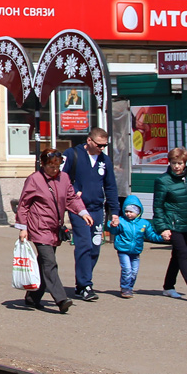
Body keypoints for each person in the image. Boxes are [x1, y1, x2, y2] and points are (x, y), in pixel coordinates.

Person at [15, 149, 92, 314]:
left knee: (43, 264)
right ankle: (61, 299)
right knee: (49, 262)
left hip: (55, 227)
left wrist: (83, 212)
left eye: (57, 166)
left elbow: (71, 198)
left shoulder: (64, 178)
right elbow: (24, 204)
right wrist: (23, 228)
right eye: (51, 166)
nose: (55, 170)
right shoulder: (34, 179)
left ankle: (32, 297)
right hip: (39, 227)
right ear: (43, 165)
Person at [61, 126, 120, 301]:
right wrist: (72, 193)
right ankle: (85, 285)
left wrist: (114, 212)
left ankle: (81, 284)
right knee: (84, 245)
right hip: (78, 208)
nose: (102, 148)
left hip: (97, 209)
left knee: (94, 248)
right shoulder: (72, 154)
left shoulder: (105, 160)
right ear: (89, 140)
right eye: (99, 145)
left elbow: (110, 186)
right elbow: (60, 178)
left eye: (104, 145)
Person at [153, 147, 187, 301]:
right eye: (173, 163)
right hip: (173, 223)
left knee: (177, 255)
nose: (176, 166)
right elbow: (158, 206)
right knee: (183, 253)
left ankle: (168, 287)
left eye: (180, 163)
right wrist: (163, 228)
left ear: (185, 163)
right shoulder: (162, 181)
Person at [108, 196, 168, 298]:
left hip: (136, 251)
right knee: (127, 269)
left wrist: (161, 238)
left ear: (138, 211)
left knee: (134, 271)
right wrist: (112, 225)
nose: (128, 214)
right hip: (123, 250)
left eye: (131, 212)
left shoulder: (144, 224)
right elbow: (113, 230)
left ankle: (130, 287)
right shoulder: (121, 221)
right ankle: (125, 288)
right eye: (126, 211)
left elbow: (151, 235)